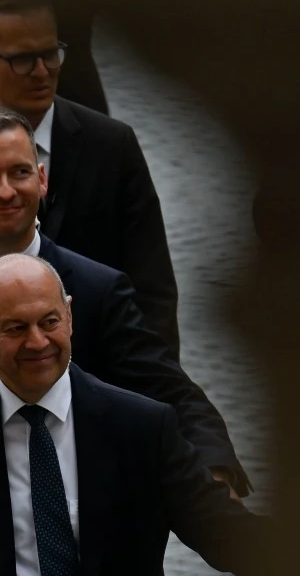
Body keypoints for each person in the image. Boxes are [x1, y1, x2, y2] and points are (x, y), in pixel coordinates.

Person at [0, 253, 268, 576]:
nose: (37, 341)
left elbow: (226, 532)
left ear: (70, 315)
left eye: (49, 321)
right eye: (15, 328)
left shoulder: (139, 427)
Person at [0, 109, 250, 496]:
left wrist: (214, 482)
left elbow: (171, 393)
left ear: (43, 179)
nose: (5, 192)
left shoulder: (98, 289)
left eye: (19, 172)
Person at [0, 0, 181, 356]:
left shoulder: (112, 146)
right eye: (23, 59)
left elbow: (152, 291)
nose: (42, 71)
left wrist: (154, 381)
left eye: (50, 54)